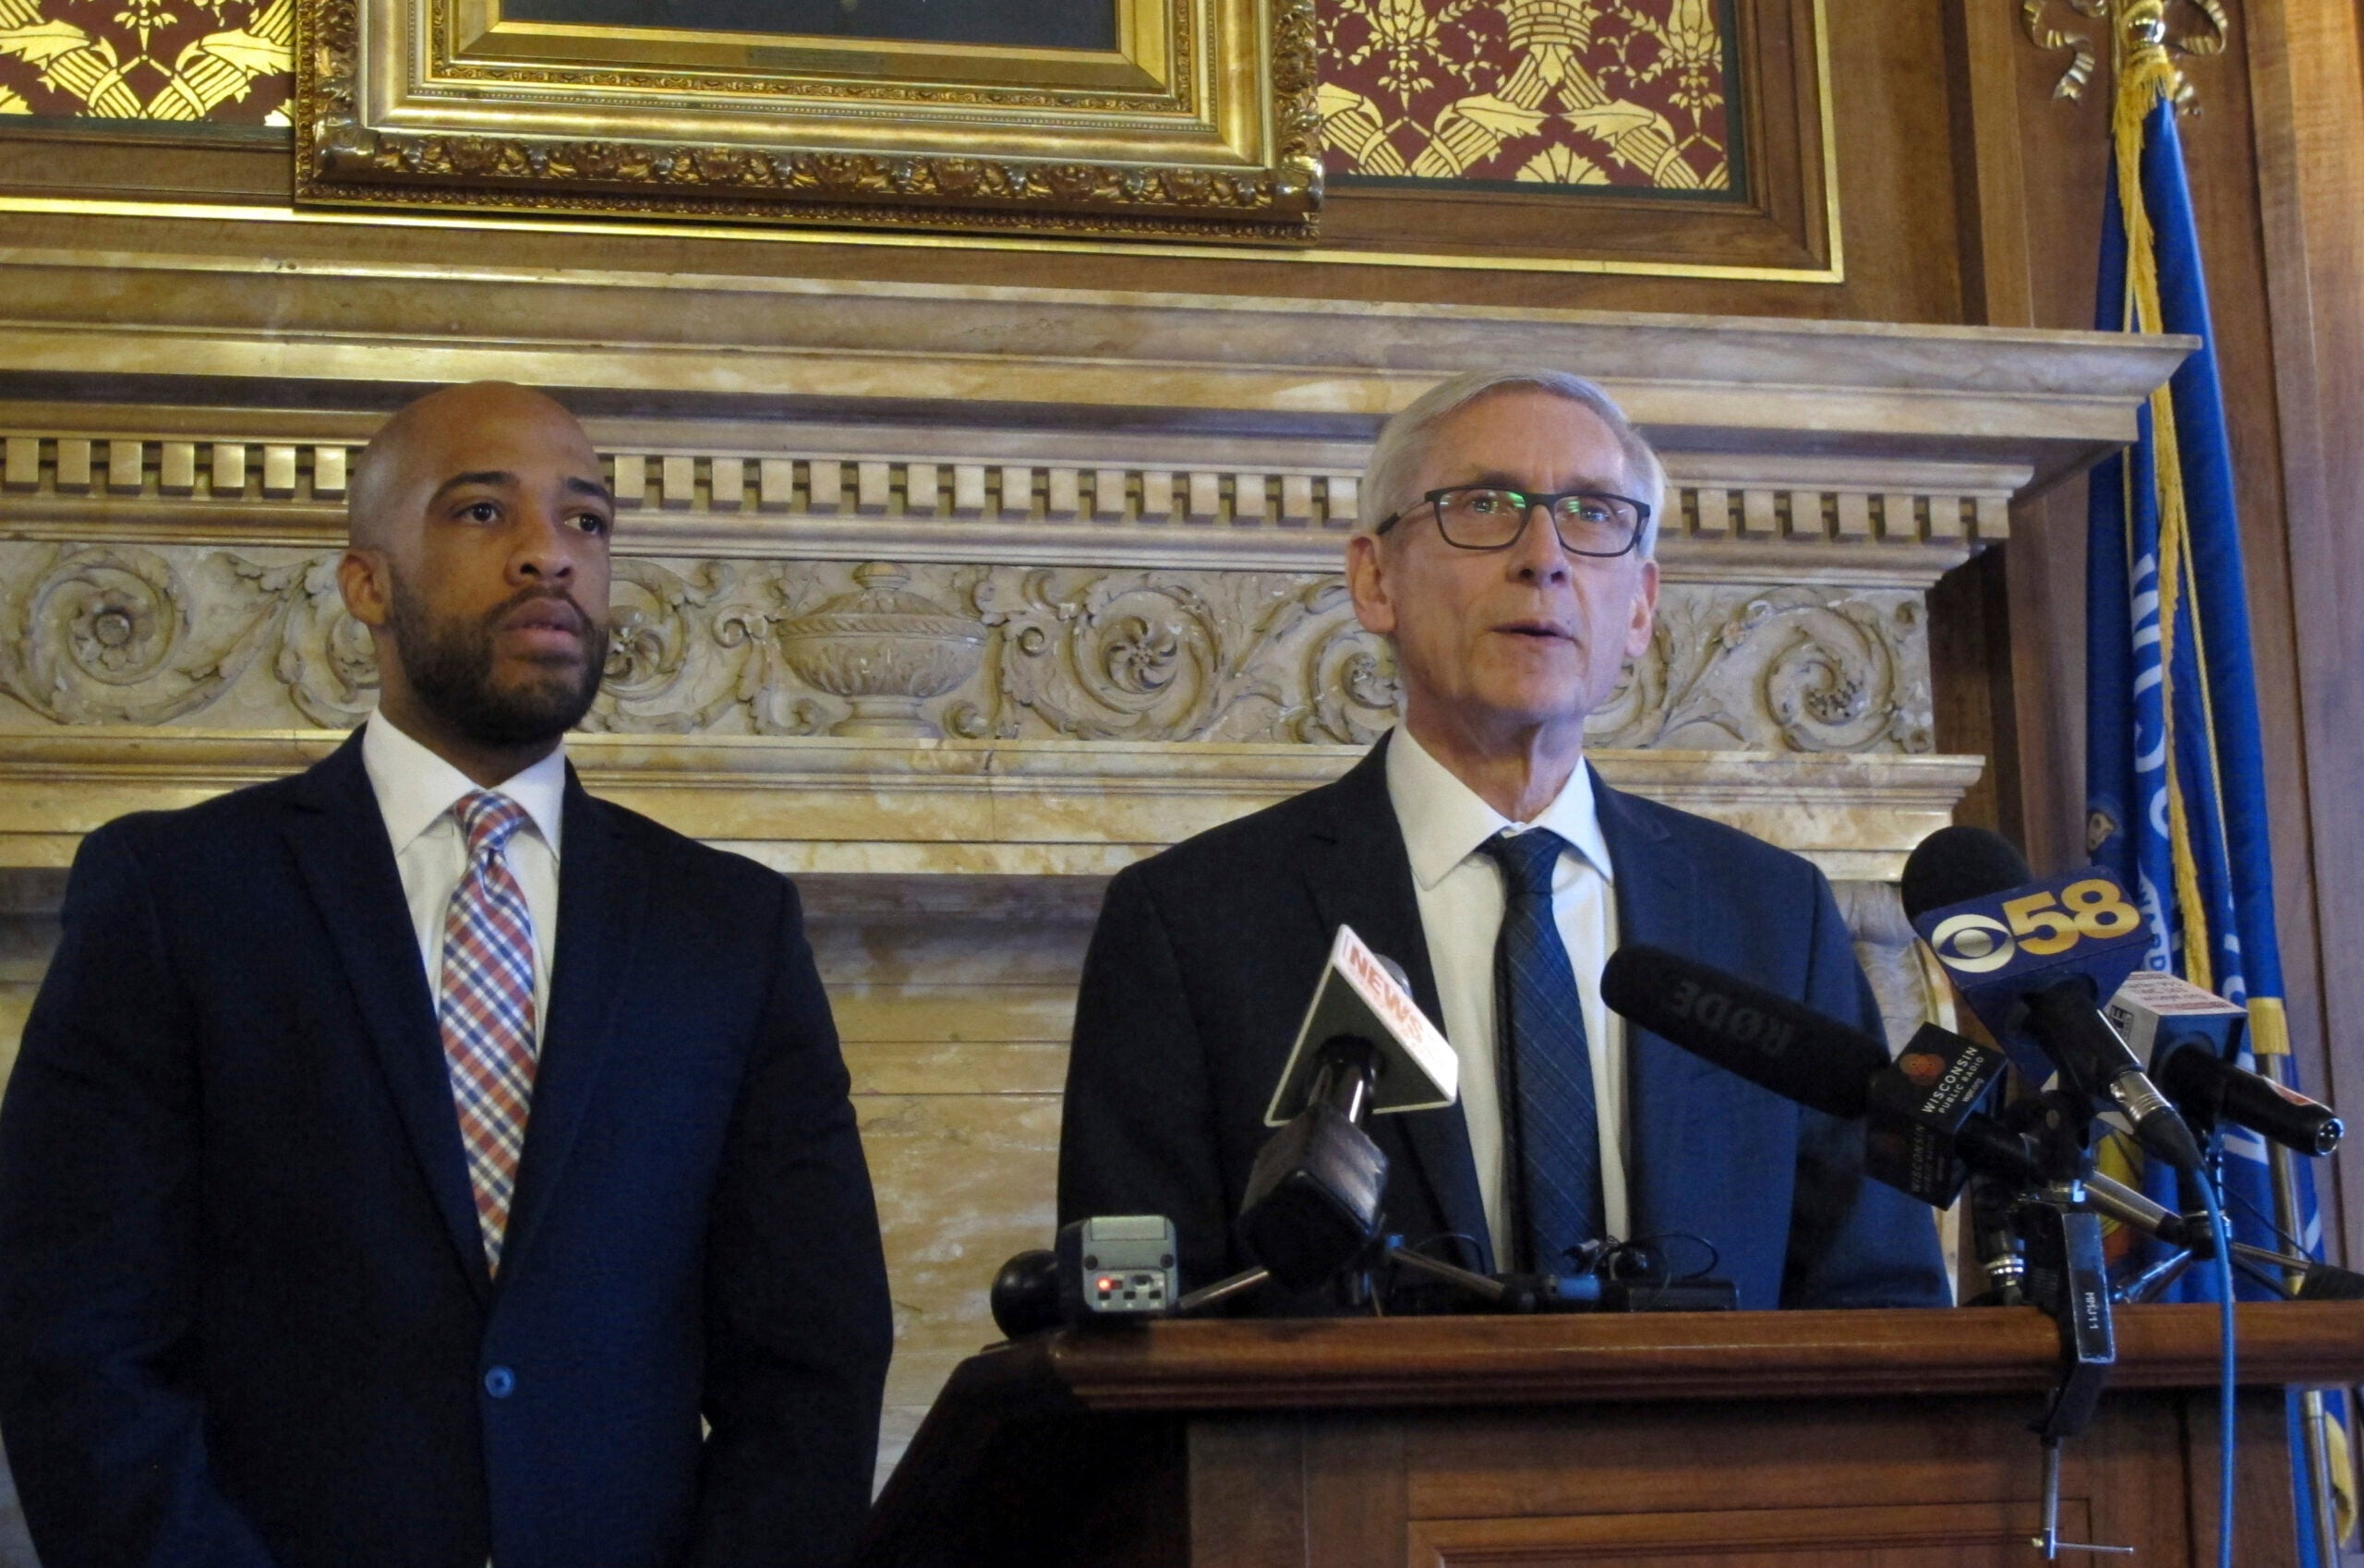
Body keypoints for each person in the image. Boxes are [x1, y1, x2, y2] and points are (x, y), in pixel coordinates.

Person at [0, 383, 892, 1568]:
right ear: (366, 582)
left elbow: (814, 1357)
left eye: (587, 523)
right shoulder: (177, 894)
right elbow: (76, 1335)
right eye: (482, 513)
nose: (548, 557)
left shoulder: (725, 927)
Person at [1056, 369, 1948, 1311]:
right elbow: (1137, 1323)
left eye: (1593, 514)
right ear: (1374, 579)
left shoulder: (1770, 916)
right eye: (1482, 506)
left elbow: (1876, 1294)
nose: (1543, 557)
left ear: (1640, 605)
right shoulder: (1194, 920)